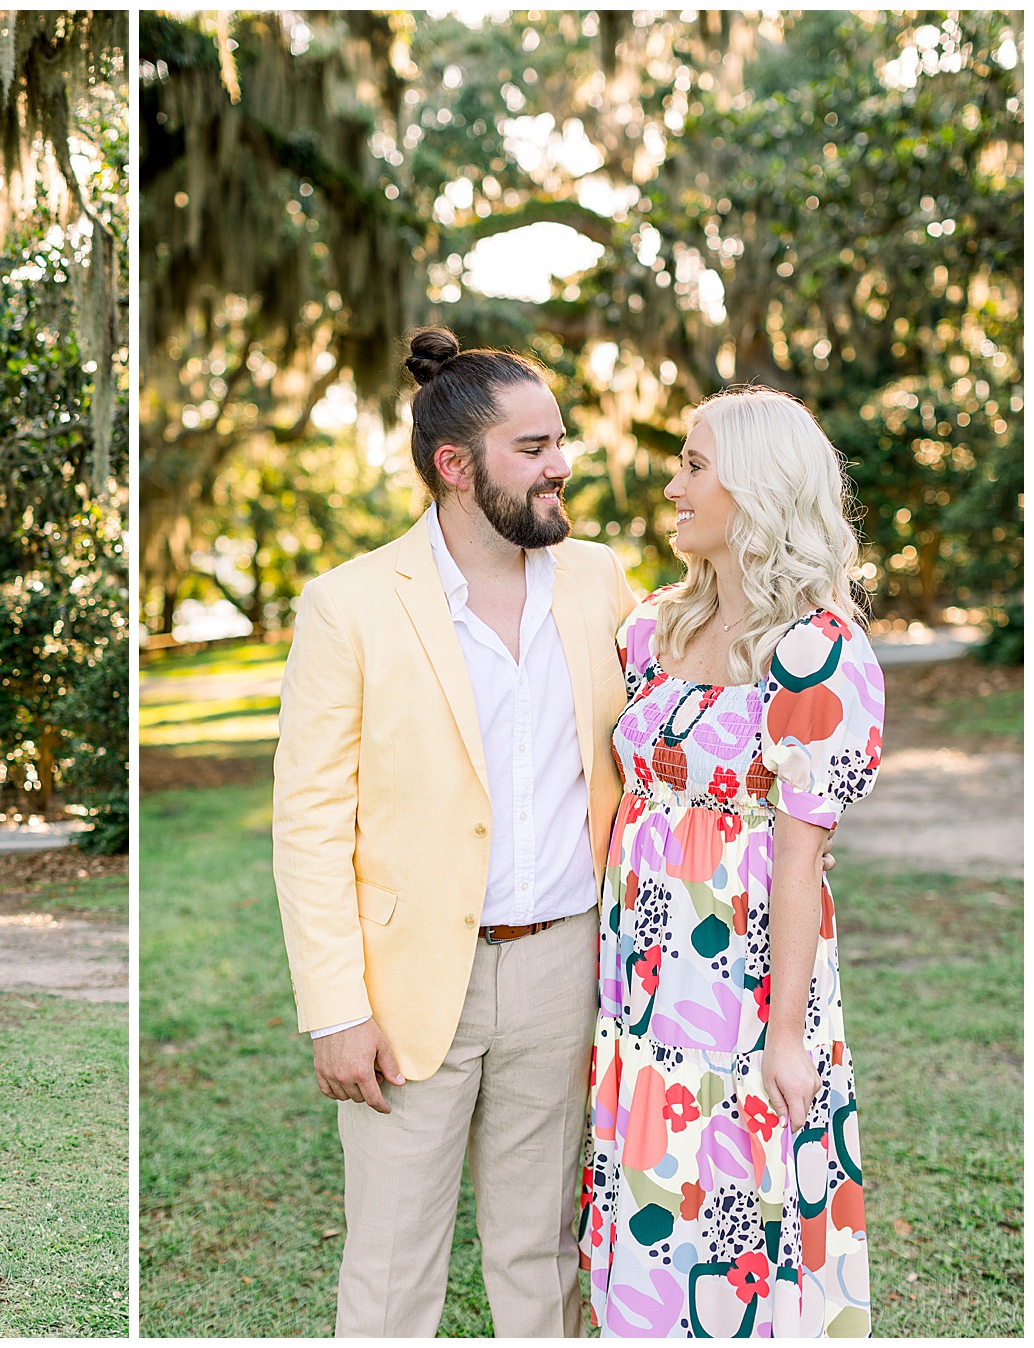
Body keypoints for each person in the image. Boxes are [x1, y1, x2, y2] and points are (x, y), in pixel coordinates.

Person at [273, 327, 638, 1336]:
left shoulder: (604, 583)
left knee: (542, 1255)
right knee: (392, 1266)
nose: (560, 463)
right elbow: (307, 821)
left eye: (559, 440)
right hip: (402, 988)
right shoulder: (347, 605)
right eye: (532, 448)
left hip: (569, 967)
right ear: (455, 466)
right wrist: (333, 1008)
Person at [579, 388, 883, 1337]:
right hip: (640, 980)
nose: (671, 484)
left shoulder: (816, 655)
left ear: (753, 489)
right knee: (651, 1194)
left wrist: (786, 1036)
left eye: (693, 465)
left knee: (738, 1206)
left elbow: (800, 864)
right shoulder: (651, 629)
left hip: (743, 988)